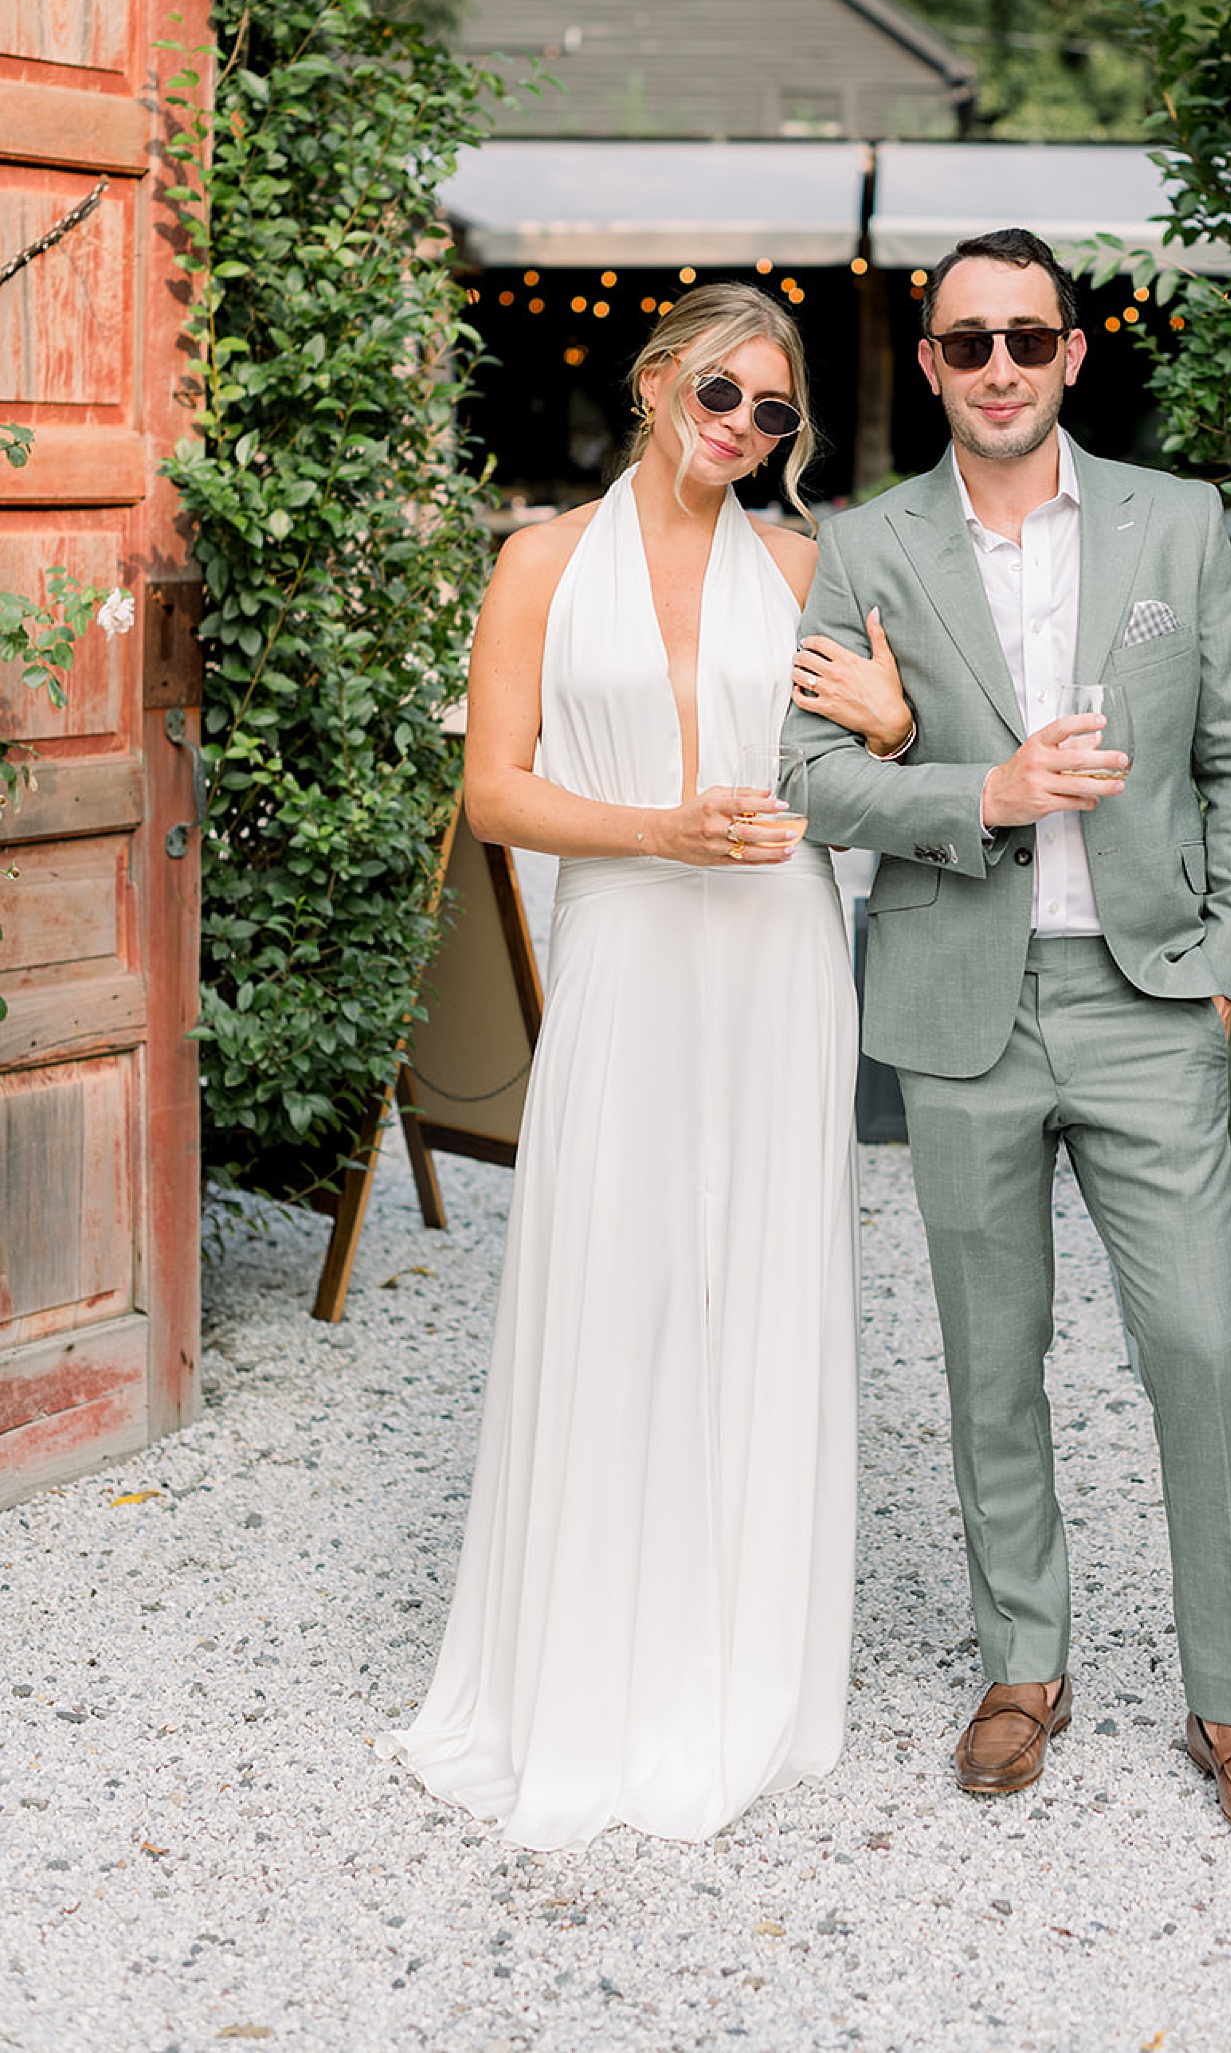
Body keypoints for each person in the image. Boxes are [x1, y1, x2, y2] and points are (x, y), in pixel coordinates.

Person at [787, 228, 1231, 1841]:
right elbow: (811, 781)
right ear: (931, 364)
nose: (999, 366)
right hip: (961, 1008)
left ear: (1074, 353)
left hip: (1150, 1001)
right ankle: (1026, 1661)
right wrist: (981, 795)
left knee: (1204, 1348)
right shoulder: (867, 546)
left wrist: (1226, 966)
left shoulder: (1177, 522)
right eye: (967, 343)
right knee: (988, 1358)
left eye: (1028, 337)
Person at [388, 284, 902, 1850]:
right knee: (614, 1278)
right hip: (621, 947)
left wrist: (890, 724)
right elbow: (493, 794)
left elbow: (891, 745)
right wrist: (660, 829)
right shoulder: (539, 561)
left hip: (777, 958)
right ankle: (586, 1666)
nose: (745, 427)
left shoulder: (810, 568)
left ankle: (746, 1663)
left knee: (757, 1282)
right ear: (660, 375)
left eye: (776, 414)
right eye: (725, 392)